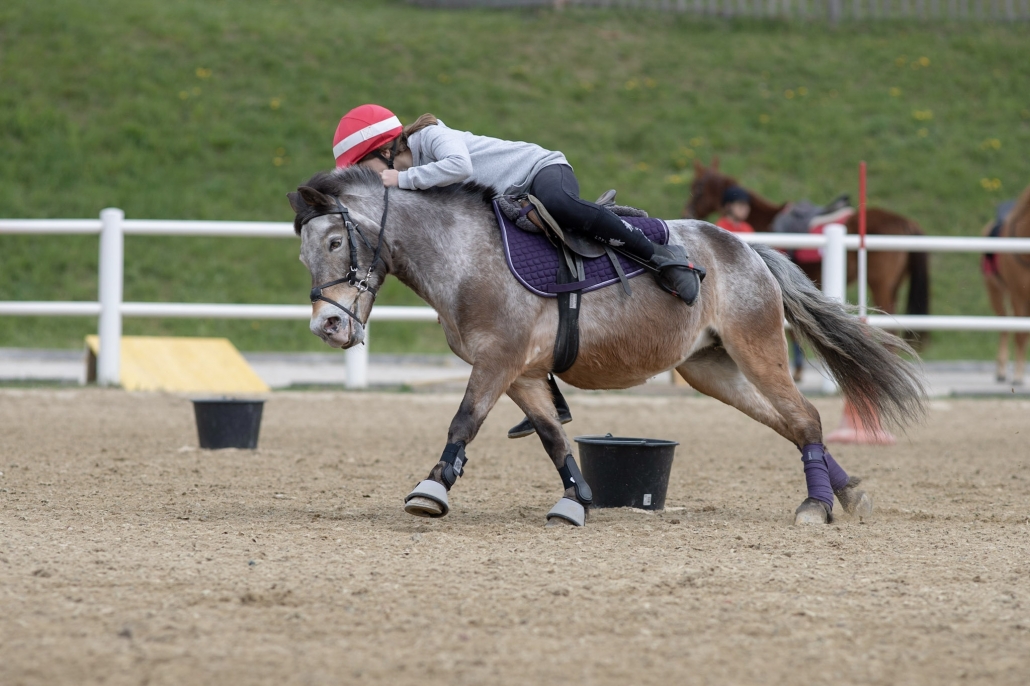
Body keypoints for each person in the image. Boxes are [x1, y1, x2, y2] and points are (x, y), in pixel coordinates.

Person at [331, 104, 704, 305]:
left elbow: (460, 166)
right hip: (513, 201)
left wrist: (403, 179)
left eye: (366, 170)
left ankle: (661, 256)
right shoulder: (418, 180)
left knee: (559, 204)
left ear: (384, 148)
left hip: (541, 170)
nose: (373, 181)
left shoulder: (431, 136)